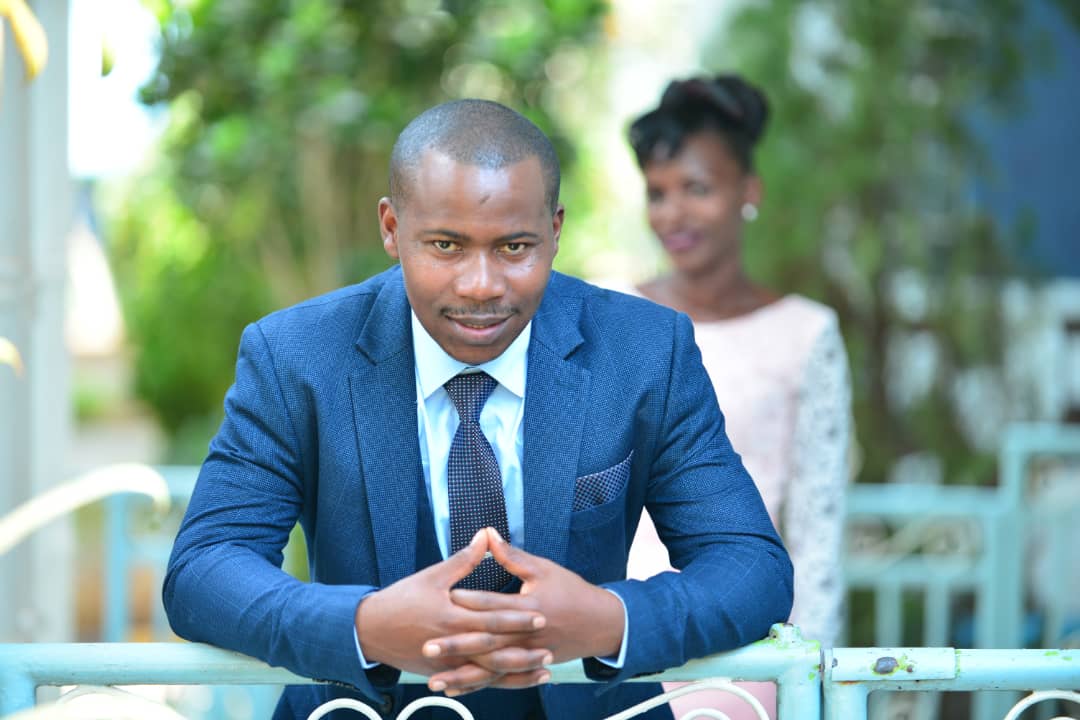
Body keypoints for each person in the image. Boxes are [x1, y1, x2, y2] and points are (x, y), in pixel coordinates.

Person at [163, 98, 793, 720]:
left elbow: (752, 566)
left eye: (515, 247)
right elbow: (203, 569)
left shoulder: (646, 351)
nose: (481, 285)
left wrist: (609, 621)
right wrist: (364, 626)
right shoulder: (296, 356)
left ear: (555, 230)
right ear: (391, 228)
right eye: (446, 245)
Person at [622, 75, 853, 719]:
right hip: (613, 636)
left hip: (748, 653)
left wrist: (809, 679)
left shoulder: (807, 334)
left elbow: (817, 529)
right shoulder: (612, 314)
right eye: (657, 193)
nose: (672, 214)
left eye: (697, 188)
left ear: (749, 191)